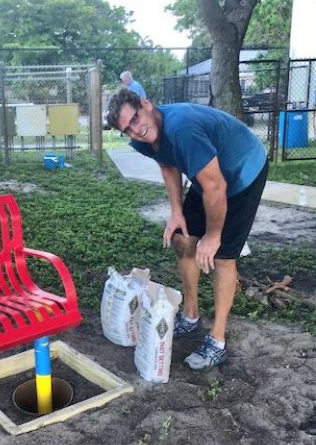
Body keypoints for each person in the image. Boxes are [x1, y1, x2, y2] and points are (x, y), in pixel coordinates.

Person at [107, 88, 268, 370]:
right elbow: (167, 163)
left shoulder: (182, 129)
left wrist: (213, 235)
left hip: (244, 169)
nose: (135, 130)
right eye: (127, 129)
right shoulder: (143, 138)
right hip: (210, 175)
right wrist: (177, 212)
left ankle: (217, 341)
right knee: (183, 239)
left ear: (145, 104)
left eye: (135, 119)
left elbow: (217, 188)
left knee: (222, 257)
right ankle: (190, 315)